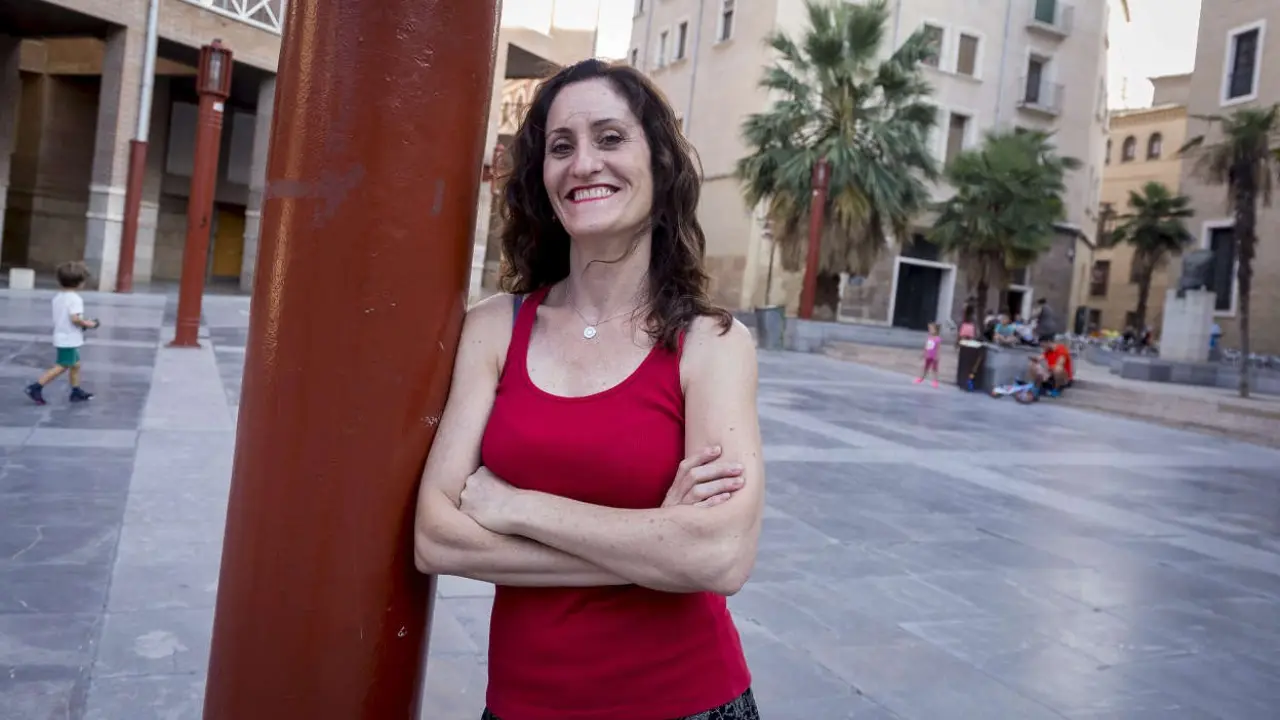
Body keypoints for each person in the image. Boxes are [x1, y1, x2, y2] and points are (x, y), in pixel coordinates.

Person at [412, 59, 762, 720]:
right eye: (560, 146)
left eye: (610, 138)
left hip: (688, 704)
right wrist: (658, 547)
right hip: (522, 706)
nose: (583, 164)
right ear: (541, 178)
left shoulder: (712, 343)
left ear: (659, 164)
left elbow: (720, 556)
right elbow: (436, 538)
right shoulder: (495, 327)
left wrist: (516, 506)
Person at [25, 261, 99, 405]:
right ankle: (36, 387)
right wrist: (88, 324)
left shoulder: (59, 297)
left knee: (75, 364)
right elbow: (75, 319)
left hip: (62, 334)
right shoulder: (75, 299)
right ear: (80, 283)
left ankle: (76, 391)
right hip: (69, 338)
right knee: (63, 365)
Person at [916, 322, 942, 388]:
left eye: (932, 329)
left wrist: (937, 356)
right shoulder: (929, 338)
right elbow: (926, 347)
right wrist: (923, 354)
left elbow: (938, 348)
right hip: (928, 355)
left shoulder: (938, 339)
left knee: (934, 369)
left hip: (934, 356)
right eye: (930, 329)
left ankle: (935, 381)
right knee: (925, 368)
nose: (930, 330)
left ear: (936, 330)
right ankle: (921, 378)